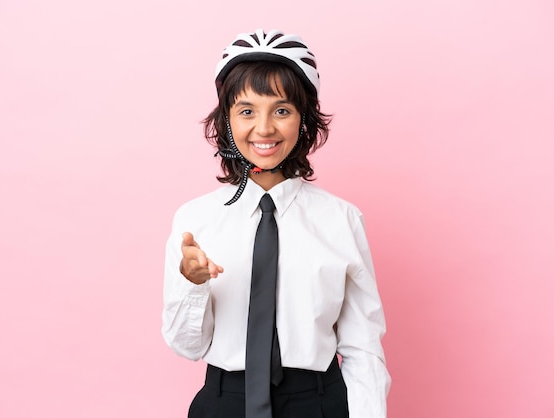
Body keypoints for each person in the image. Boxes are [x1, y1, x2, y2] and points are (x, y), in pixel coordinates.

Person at [162, 29, 390, 418]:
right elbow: (188, 347)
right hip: (224, 403)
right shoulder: (195, 219)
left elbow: (363, 347)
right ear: (226, 120)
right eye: (247, 111)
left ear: (304, 120)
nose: (264, 128)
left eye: (281, 110)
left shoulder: (341, 219)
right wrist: (193, 284)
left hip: (317, 403)